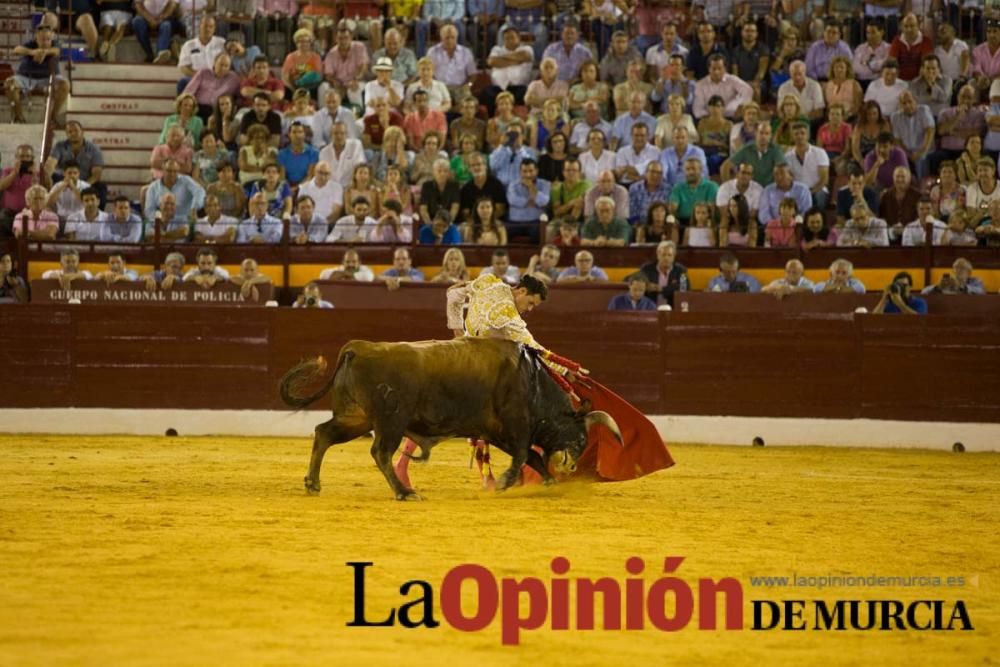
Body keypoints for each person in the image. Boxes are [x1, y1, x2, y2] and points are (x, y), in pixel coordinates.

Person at [5, 25, 69, 124]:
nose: (45, 42)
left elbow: (56, 51)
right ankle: (18, 117)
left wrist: (44, 52)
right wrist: (33, 52)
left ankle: (51, 118)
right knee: (9, 84)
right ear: (36, 37)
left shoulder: (55, 44)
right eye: (42, 39)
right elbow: (16, 49)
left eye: (48, 39)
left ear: (51, 37)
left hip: (49, 78)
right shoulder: (31, 44)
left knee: (65, 85)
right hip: (25, 77)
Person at [636, 240, 688, 306]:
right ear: (658, 255)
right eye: (663, 255)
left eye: (669, 255)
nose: (666, 258)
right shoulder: (647, 269)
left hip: (672, 309)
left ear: (674, 257)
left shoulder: (680, 270)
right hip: (650, 309)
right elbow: (634, 281)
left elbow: (684, 288)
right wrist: (645, 286)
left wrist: (662, 289)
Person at [921, 258, 986, 295]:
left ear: (969, 272)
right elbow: (923, 292)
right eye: (956, 267)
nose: (958, 270)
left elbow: (981, 292)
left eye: (962, 268)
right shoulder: (949, 281)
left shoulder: (976, 281)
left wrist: (961, 286)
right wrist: (937, 287)